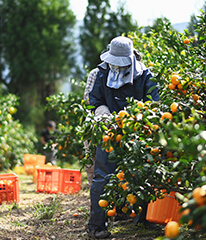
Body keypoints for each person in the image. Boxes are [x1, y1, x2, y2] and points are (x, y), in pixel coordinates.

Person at [87, 36, 159, 239]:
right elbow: (95, 101)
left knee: (143, 173)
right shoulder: (102, 74)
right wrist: (104, 113)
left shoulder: (145, 76)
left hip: (138, 133)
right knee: (103, 177)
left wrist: (139, 118)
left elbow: (155, 104)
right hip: (110, 133)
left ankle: (143, 218)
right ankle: (96, 226)